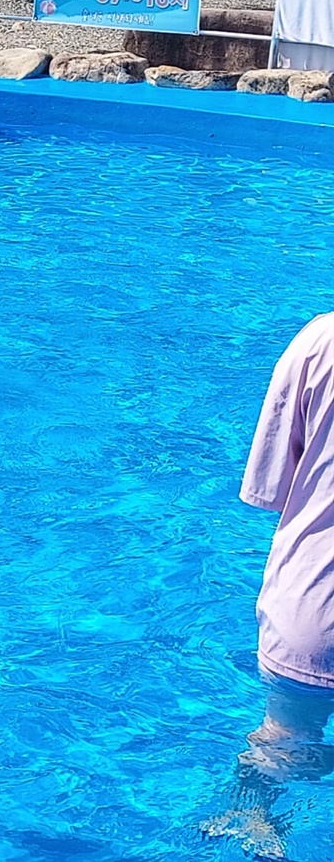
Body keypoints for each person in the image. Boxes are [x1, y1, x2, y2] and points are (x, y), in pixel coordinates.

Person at [202, 313, 334, 859]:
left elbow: (271, 488)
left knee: (283, 739)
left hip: (315, 605)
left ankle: (250, 816)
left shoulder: (320, 340)